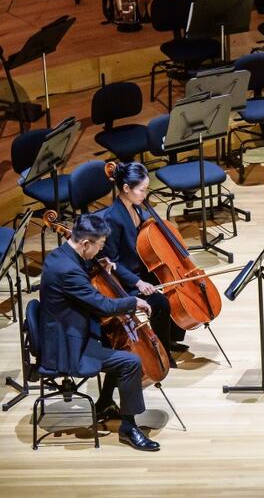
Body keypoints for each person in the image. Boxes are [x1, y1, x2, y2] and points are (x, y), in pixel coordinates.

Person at [38, 213, 159, 451]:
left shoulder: (61, 256)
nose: (99, 252)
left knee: (117, 345)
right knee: (130, 362)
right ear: (85, 244)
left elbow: (83, 279)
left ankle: (104, 403)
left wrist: (98, 267)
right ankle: (128, 427)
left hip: (66, 330)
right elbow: (102, 305)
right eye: (99, 247)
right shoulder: (67, 271)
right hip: (68, 347)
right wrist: (133, 302)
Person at [100, 162, 185, 366]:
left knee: (174, 286)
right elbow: (113, 262)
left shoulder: (137, 208)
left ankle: (171, 337)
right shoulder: (113, 217)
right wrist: (138, 283)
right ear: (126, 188)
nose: (144, 195)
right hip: (126, 278)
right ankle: (162, 353)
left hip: (142, 266)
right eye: (142, 190)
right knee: (161, 302)